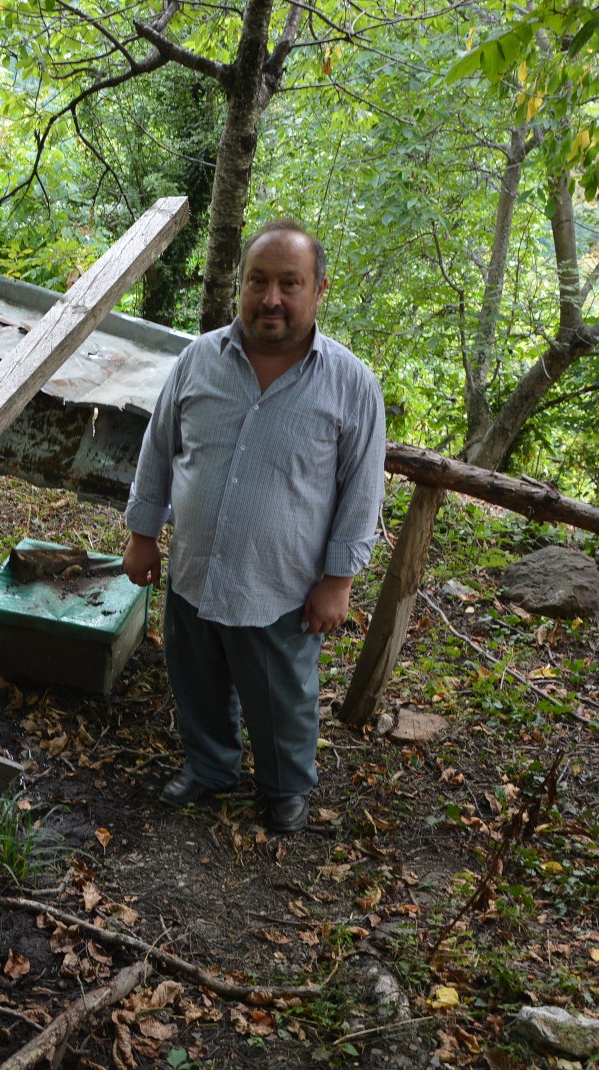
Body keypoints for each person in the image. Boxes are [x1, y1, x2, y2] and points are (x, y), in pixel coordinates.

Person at [121, 219, 385, 834]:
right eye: (258, 281)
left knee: (281, 699)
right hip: (193, 569)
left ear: (319, 289)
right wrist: (142, 533)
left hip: (281, 588)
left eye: (289, 284)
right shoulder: (198, 360)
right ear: (240, 285)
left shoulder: (350, 384)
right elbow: (159, 451)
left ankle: (284, 786)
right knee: (198, 681)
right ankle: (211, 767)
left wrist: (339, 581)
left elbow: (362, 492)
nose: (271, 299)